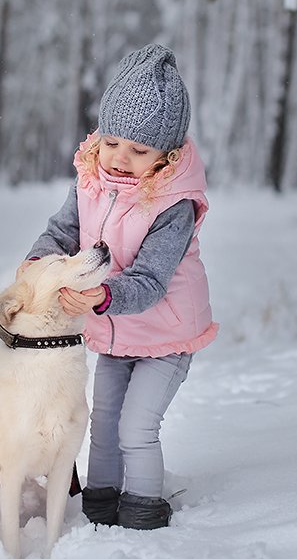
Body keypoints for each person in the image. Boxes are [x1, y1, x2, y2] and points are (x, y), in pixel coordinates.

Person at [24, 44, 218, 530]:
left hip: (166, 338)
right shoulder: (90, 180)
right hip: (116, 333)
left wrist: (104, 297)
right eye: (112, 142)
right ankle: (100, 506)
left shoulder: (173, 204)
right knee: (104, 426)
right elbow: (63, 230)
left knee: (136, 428)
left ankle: (142, 511)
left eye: (139, 150)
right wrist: (38, 262)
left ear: (166, 155)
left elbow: (151, 281)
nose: (120, 158)